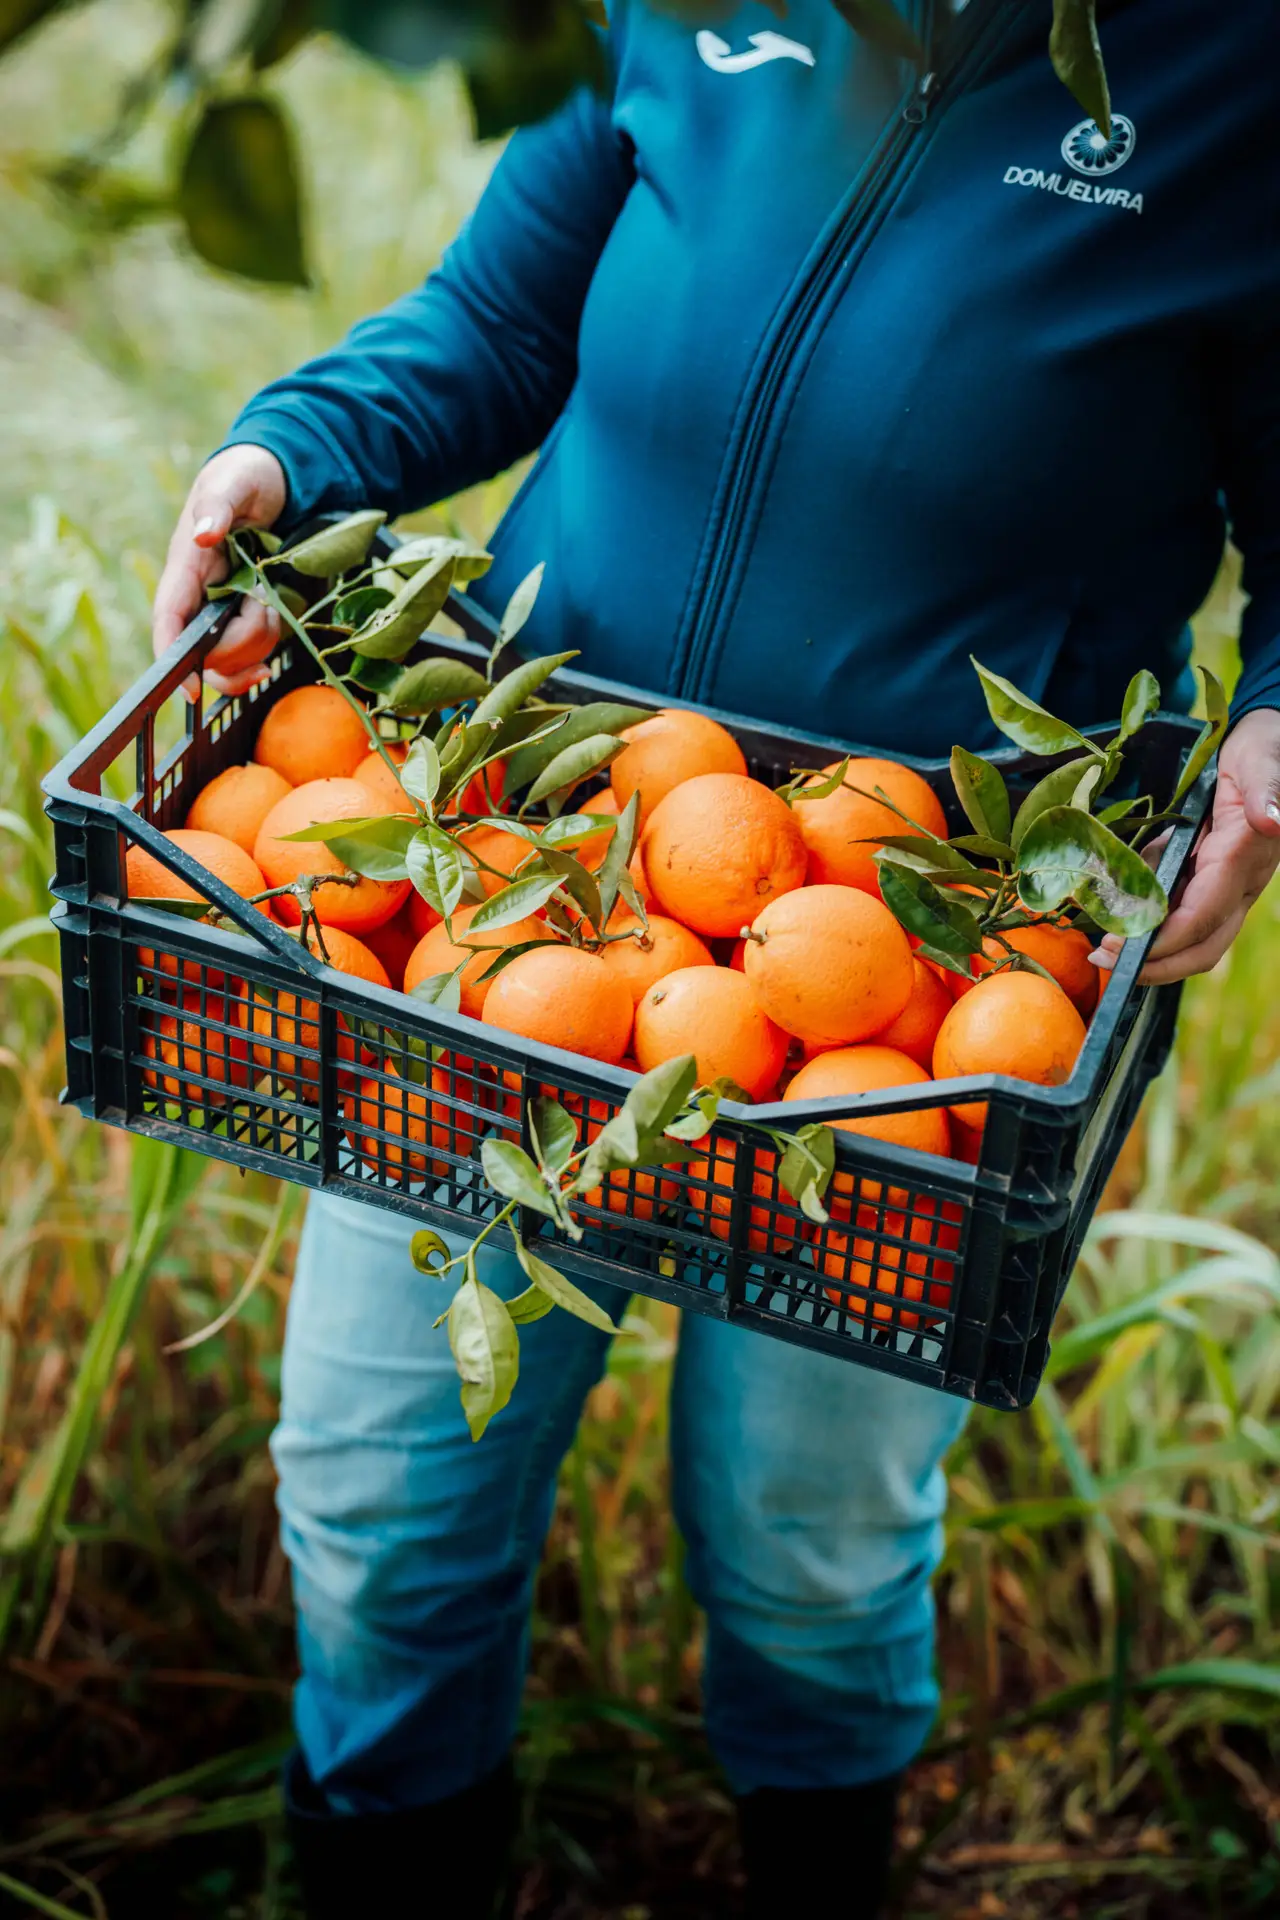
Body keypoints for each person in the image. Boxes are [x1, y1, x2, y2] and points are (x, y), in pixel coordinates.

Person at [152, 3, 1280, 1913]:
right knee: (376, 1492)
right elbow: (504, 322)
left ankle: (819, 1862)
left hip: (920, 991)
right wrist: (288, 451)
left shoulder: (1237, 79)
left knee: (810, 1552)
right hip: (520, 892)